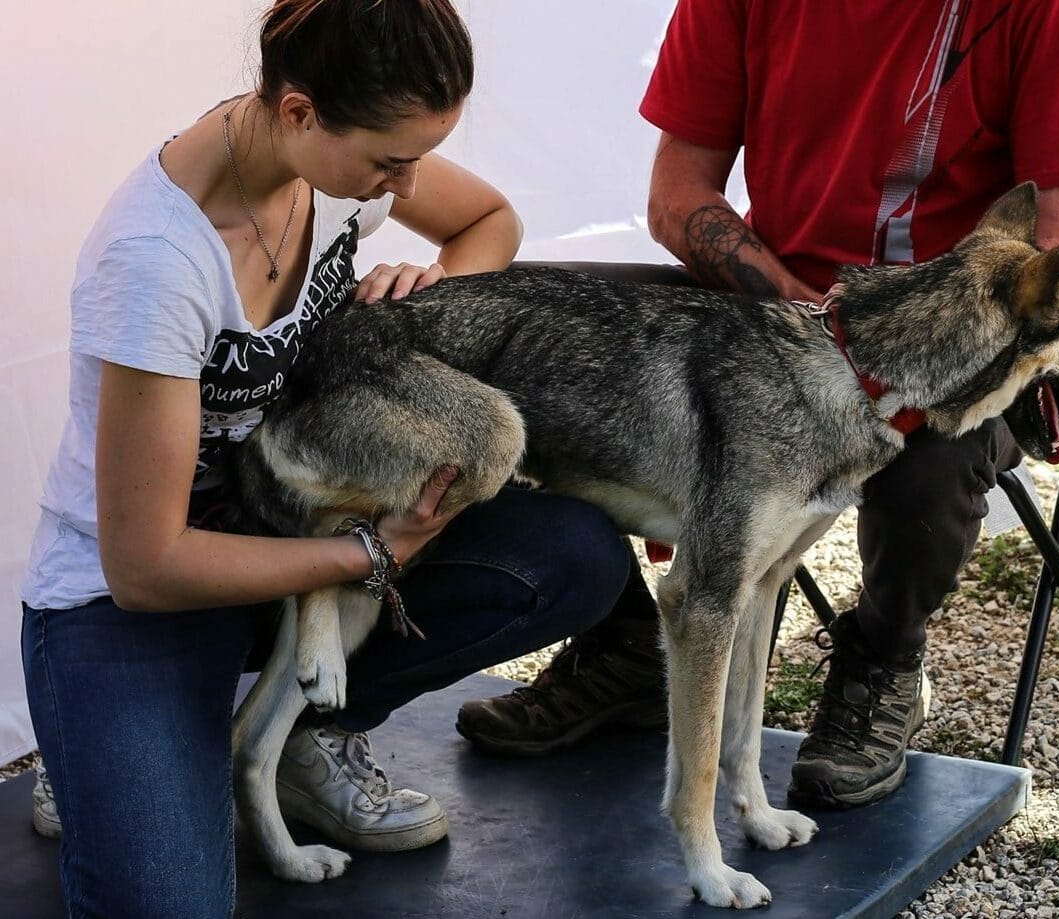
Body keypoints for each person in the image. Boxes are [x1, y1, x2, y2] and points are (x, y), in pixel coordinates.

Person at [20, 2, 630, 915]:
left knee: (574, 555)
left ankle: (307, 727)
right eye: (392, 162)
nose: (407, 182)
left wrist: (431, 285)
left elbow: (490, 221)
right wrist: (370, 557)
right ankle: (103, 752)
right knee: (171, 902)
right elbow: (144, 566)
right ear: (301, 113)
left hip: (286, 519)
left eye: (419, 157)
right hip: (138, 594)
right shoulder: (156, 258)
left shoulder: (332, 161)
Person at [457, 0, 1059, 808]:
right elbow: (677, 195)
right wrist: (809, 322)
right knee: (548, 336)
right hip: (778, 322)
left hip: (956, 352)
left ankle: (880, 662)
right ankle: (632, 643)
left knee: (931, 465)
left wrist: (889, 364)